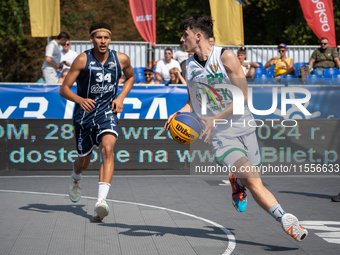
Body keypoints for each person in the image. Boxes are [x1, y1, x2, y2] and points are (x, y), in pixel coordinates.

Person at [164, 14, 308, 242]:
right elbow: (193, 100)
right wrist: (180, 112)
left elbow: (243, 97)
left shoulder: (226, 57)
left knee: (254, 175)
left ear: (198, 36)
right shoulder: (186, 65)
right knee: (254, 181)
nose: (182, 40)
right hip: (220, 136)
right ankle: (286, 220)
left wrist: (216, 117)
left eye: (185, 35)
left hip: (243, 124)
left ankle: (236, 181)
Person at [59, 22, 135, 221]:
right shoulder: (82, 59)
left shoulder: (121, 59)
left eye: (106, 38)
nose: (103, 41)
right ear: (91, 39)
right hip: (84, 115)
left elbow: (131, 77)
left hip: (107, 112)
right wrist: (80, 99)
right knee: (84, 161)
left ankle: (101, 202)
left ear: (110, 39)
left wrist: (120, 98)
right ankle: (76, 178)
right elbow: (64, 89)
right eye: (99, 38)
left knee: (108, 150)